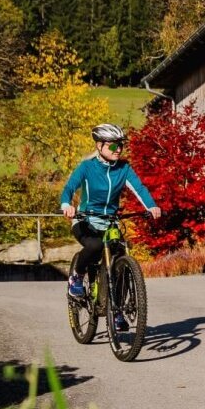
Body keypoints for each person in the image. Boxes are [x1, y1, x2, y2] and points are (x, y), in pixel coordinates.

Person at [60, 124, 161, 316]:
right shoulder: (87, 167)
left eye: (121, 145)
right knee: (95, 246)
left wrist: (152, 206)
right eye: (113, 146)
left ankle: (117, 311)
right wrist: (66, 205)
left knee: (121, 258)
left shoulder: (124, 168)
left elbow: (139, 188)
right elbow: (69, 188)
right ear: (99, 146)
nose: (118, 149)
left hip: (110, 222)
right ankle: (77, 278)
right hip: (85, 220)